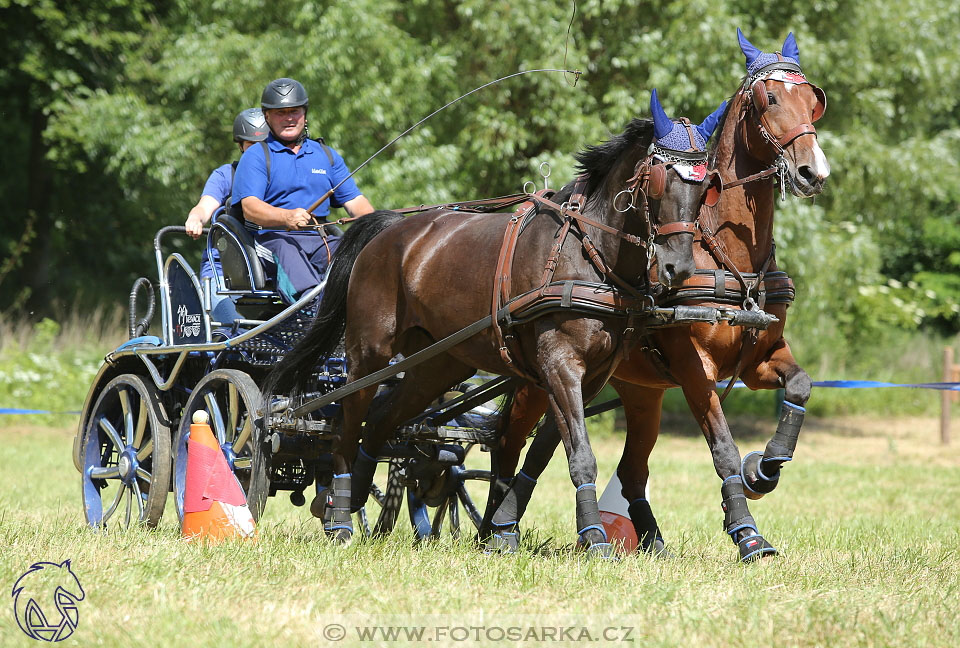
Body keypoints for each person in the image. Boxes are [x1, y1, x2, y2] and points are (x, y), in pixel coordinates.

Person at [231, 77, 374, 303]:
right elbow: (250, 208)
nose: (289, 118)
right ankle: (309, 311)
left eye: (294, 111)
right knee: (287, 253)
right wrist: (285, 216)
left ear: (304, 114)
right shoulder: (256, 156)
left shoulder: (326, 155)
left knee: (359, 263)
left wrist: (379, 226)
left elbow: (355, 202)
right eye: (280, 112)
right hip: (272, 240)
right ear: (267, 116)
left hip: (320, 239)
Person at [184, 107, 269, 321]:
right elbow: (205, 206)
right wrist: (195, 218)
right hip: (223, 273)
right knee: (235, 325)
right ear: (241, 145)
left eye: (264, 145)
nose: (258, 151)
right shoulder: (225, 176)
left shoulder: (280, 179)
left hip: (268, 275)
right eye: (252, 145)